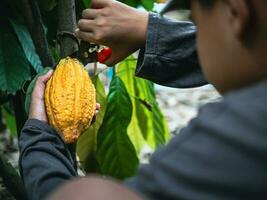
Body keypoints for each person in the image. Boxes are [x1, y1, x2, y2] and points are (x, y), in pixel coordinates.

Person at [19, 0, 267, 199]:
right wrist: (151, 30)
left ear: (236, 13)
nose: (198, 35)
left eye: (195, 21)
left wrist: (41, 140)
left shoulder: (245, 133)